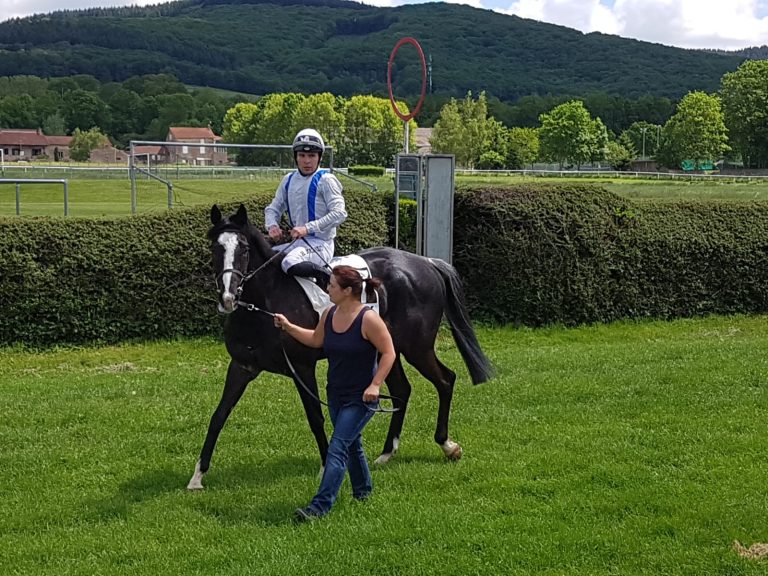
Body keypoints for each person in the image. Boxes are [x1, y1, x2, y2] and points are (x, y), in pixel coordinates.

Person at [273, 265, 396, 522]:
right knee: (352, 444)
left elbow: (389, 353)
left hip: (361, 398)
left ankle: (318, 508)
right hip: (336, 394)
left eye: (331, 285)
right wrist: (288, 327)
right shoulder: (329, 314)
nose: (327, 288)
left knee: (337, 447)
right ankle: (363, 492)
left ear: (347, 291)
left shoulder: (368, 319)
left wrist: (375, 385)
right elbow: (316, 341)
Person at [264, 128, 347, 291]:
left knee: (290, 262)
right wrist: (272, 226)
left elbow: (339, 213)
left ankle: (329, 283)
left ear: (319, 157)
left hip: (322, 244)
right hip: (297, 244)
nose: (307, 161)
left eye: (311, 156)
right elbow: (273, 208)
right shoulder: (288, 179)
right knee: (267, 257)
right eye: (302, 155)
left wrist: (307, 228)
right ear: (295, 157)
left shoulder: (326, 180)